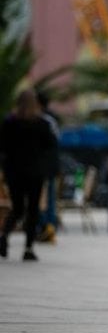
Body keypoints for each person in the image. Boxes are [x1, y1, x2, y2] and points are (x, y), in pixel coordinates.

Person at [0, 89, 58, 261]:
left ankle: (4, 237)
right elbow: (51, 147)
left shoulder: (10, 123)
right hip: (35, 173)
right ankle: (28, 248)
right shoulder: (41, 124)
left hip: (14, 173)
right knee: (33, 209)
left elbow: (2, 147)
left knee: (17, 208)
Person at [35, 90, 60, 243]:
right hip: (51, 166)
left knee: (39, 198)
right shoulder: (52, 121)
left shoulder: (40, 121)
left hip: (40, 167)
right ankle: (49, 227)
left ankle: (45, 227)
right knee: (49, 198)